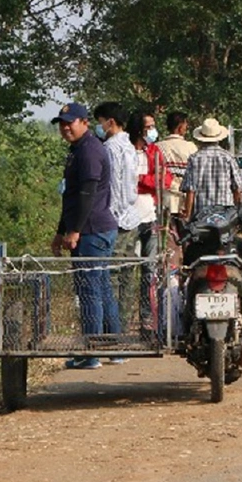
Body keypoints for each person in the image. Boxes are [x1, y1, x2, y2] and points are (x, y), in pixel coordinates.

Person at [50, 102, 121, 370]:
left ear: (85, 122)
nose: (65, 127)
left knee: (90, 290)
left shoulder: (90, 150)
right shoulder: (79, 149)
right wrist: (61, 232)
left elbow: (86, 195)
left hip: (92, 230)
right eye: (61, 123)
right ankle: (114, 347)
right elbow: (70, 196)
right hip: (91, 228)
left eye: (70, 122)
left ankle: (91, 354)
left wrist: (75, 230)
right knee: (100, 286)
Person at [93, 102, 138, 345]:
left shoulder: (110, 148)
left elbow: (112, 186)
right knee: (127, 278)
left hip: (115, 219)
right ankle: (120, 329)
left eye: (100, 121)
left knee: (108, 279)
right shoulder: (129, 146)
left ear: (110, 122)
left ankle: (111, 333)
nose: (98, 127)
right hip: (131, 217)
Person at [129, 109, 171, 336]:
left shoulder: (154, 151)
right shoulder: (125, 151)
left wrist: (142, 181)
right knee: (125, 271)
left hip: (151, 218)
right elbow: (123, 182)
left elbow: (165, 179)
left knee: (149, 270)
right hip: (127, 221)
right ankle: (122, 319)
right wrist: (144, 182)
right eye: (148, 127)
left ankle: (147, 319)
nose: (153, 131)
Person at [180, 117, 242, 227]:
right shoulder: (228, 157)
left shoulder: (195, 158)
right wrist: (239, 214)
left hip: (201, 217)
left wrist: (187, 216)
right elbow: (237, 189)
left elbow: (190, 191)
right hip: (224, 216)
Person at [158, 111, 198, 218]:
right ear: (180, 127)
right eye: (185, 125)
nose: (186, 128)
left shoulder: (158, 147)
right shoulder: (191, 147)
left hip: (164, 199)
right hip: (186, 201)